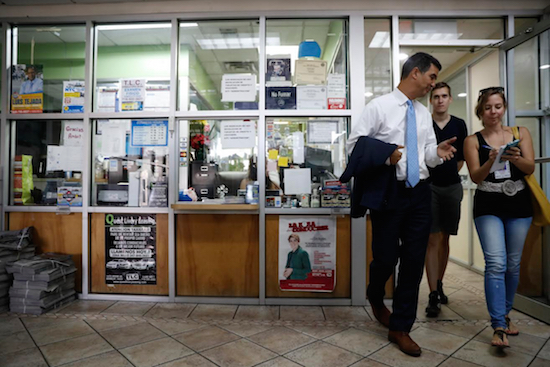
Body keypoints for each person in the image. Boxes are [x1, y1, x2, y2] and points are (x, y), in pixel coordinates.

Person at [347, 52, 457, 357]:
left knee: (413, 260)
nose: (433, 84)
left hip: (420, 191)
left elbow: (425, 154)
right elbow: (354, 146)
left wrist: (438, 150)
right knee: (385, 256)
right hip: (388, 192)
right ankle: (375, 293)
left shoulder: (422, 113)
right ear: (415, 73)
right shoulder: (379, 107)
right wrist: (386, 155)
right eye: (432, 76)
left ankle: (401, 326)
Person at [463, 87, 534, 348]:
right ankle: (498, 326)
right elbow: (475, 176)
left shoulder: (520, 133)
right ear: (480, 111)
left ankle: (505, 313)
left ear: (504, 108)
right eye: (488, 108)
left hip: (519, 204)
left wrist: (515, 158)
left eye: (498, 106)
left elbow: (530, 167)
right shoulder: (472, 140)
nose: (493, 112)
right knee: (495, 263)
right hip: (488, 204)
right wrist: (491, 161)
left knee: (513, 264)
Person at [425, 82, 468, 316]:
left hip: (451, 187)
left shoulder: (459, 125)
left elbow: (461, 158)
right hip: (428, 187)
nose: (440, 100)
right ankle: (432, 293)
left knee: (445, 238)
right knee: (432, 238)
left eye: (444, 96)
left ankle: (439, 283)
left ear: (450, 99)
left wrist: (448, 170)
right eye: (436, 96)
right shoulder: (425, 123)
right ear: (431, 100)